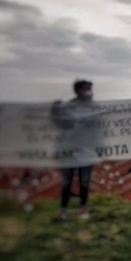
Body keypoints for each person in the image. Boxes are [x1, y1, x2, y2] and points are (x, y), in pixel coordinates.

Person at [51, 80, 96, 221]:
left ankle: (83, 208)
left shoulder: (94, 108)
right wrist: (55, 111)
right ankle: (63, 210)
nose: (89, 91)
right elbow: (60, 124)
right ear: (78, 91)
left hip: (86, 151)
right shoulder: (68, 108)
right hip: (69, 150)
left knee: (84, 181)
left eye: (90, 89)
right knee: (66, 182)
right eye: (86, 89)